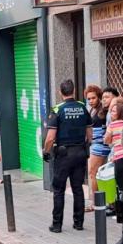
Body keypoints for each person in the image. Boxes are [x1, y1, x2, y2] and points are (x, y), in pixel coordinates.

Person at [42, 79, 92, 233]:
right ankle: (78, 223)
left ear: (60, 92)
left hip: (63, 155)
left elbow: (50, 137)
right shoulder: (83, 108)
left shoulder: (57, 109)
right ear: (74, 91)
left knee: (59, 190)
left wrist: (46, 151)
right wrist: (85, 147)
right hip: (80, 152)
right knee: (78, 188)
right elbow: (90, 134)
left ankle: (57, 225)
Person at [86, 90, 111, 212]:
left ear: (99, 98)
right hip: (94, 145)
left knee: (93, 173)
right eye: (89, 99)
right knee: (94, 174)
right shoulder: (92, 110)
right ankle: (98, 201)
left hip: (100, 146)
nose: (91, 101)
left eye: (93, 98)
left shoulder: (103, 110)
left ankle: (96, 202)